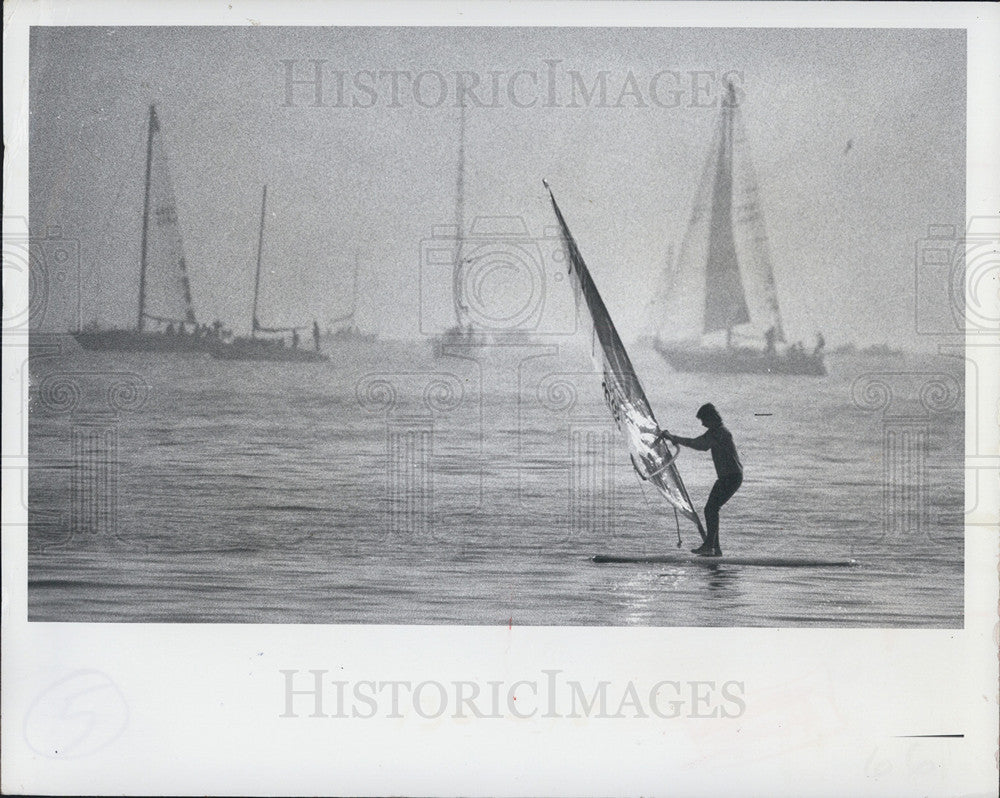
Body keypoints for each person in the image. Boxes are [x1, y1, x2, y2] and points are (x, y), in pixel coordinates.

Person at [656, 403, 742, 557]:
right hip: (728, 477)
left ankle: (710, 546)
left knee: (711, 509)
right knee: (711, 509)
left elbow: (699, 445)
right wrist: (674, 439)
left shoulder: (719, 432)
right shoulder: (715, 431)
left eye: (704, 420)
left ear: (711, 418)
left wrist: (673, 438)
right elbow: (697, 443)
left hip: (731, 477)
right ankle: (715, 549)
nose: (702, 424)